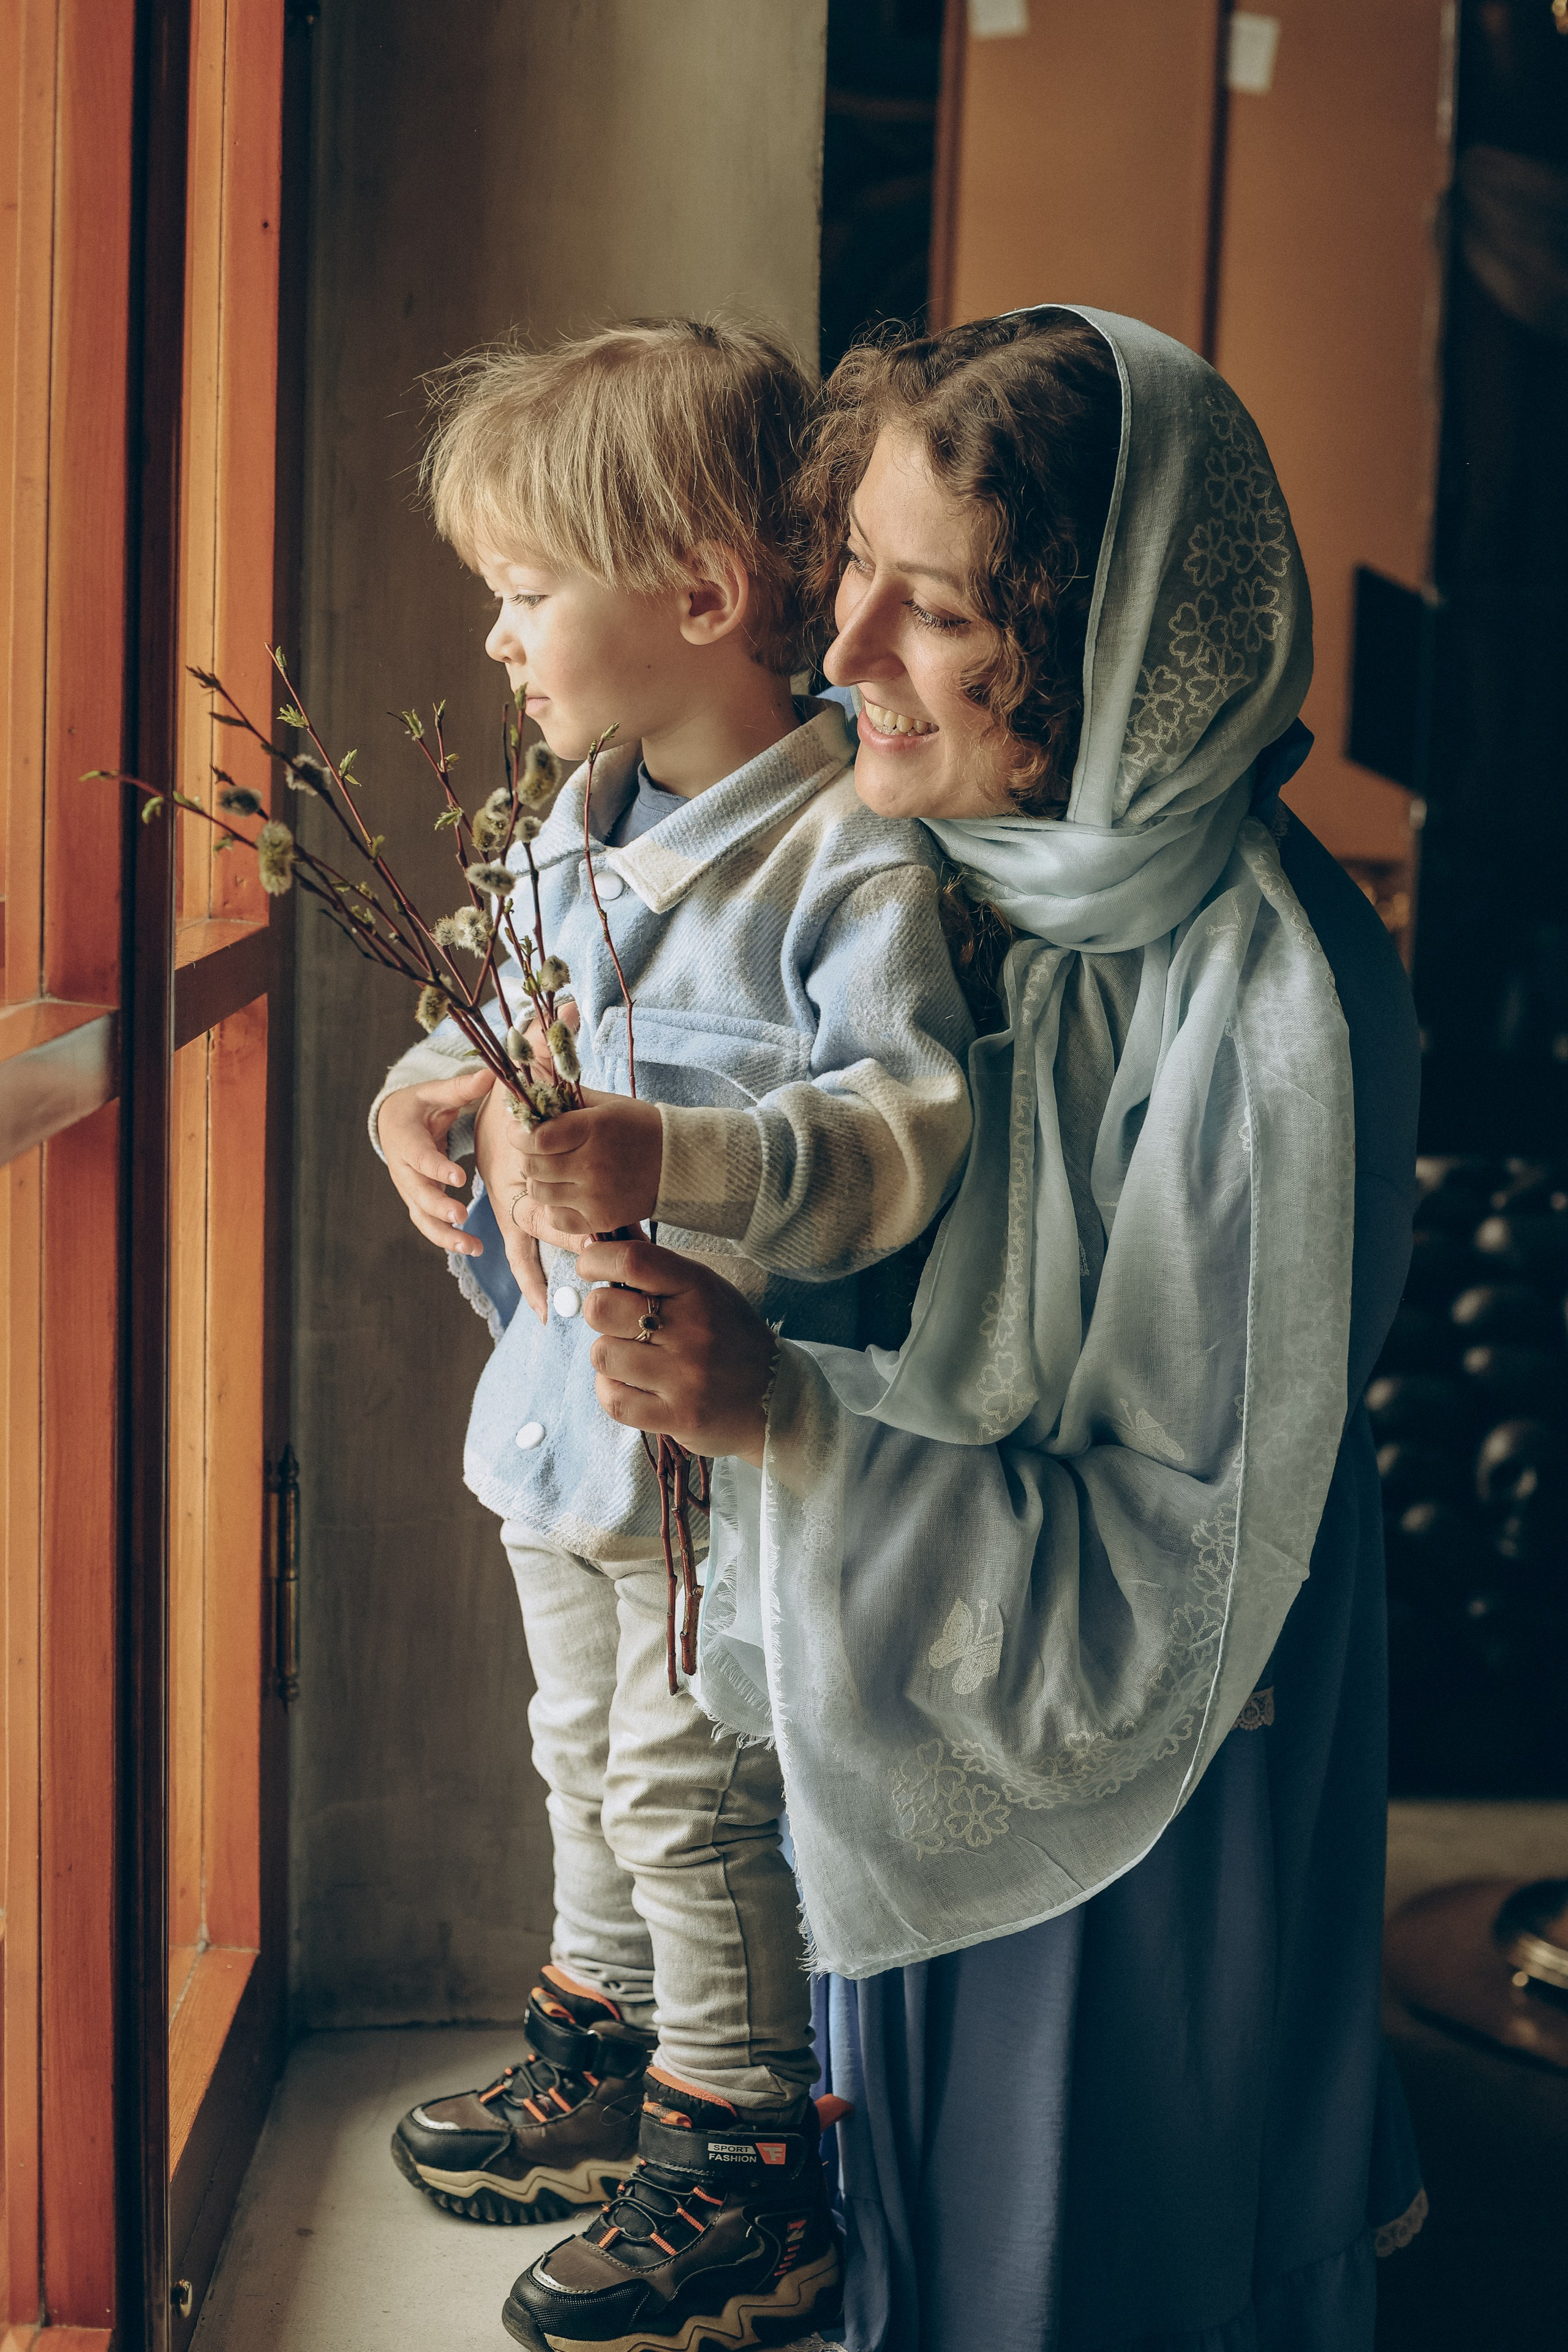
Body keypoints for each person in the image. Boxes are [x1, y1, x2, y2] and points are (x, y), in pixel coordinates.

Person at [567, 306, 1427, 2351]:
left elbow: (1171, 1567)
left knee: (1081, 2249)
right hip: (921, 1651)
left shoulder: (1266, 1010)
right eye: (847, 565)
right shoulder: (933, 864)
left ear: (1105, 646)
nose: (842, 648)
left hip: (1162, 1767)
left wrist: (781, 1409)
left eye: (930, 605)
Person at [369, 317, 974, 2351]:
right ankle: (603, 2044)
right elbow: (496, 1027)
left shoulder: (846, 862)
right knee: (581, 1757)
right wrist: (424, 1087)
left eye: (529, 595)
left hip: (716, 1446)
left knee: (693, 1785)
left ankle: (743, 2165)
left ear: (704, 596)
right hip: (562, 1413)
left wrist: (688, 1155)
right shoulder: (568, 829)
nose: (501, 643)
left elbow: (903, 1136)